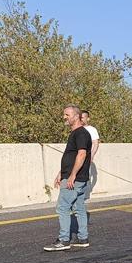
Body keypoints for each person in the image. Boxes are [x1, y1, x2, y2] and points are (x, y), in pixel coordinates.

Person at [44, 105, 93, 252]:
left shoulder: (81, 133)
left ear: (76, 116)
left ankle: (64, 240)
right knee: (79, 208)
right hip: (76, 177)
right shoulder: (76, 133)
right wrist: (61, 173)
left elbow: (82, 154)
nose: (64, 117)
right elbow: (71, 157)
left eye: (67, 114)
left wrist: (72, 175)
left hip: (75, 179)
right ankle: (82, 238)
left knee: (63, 208)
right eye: (64, 114)